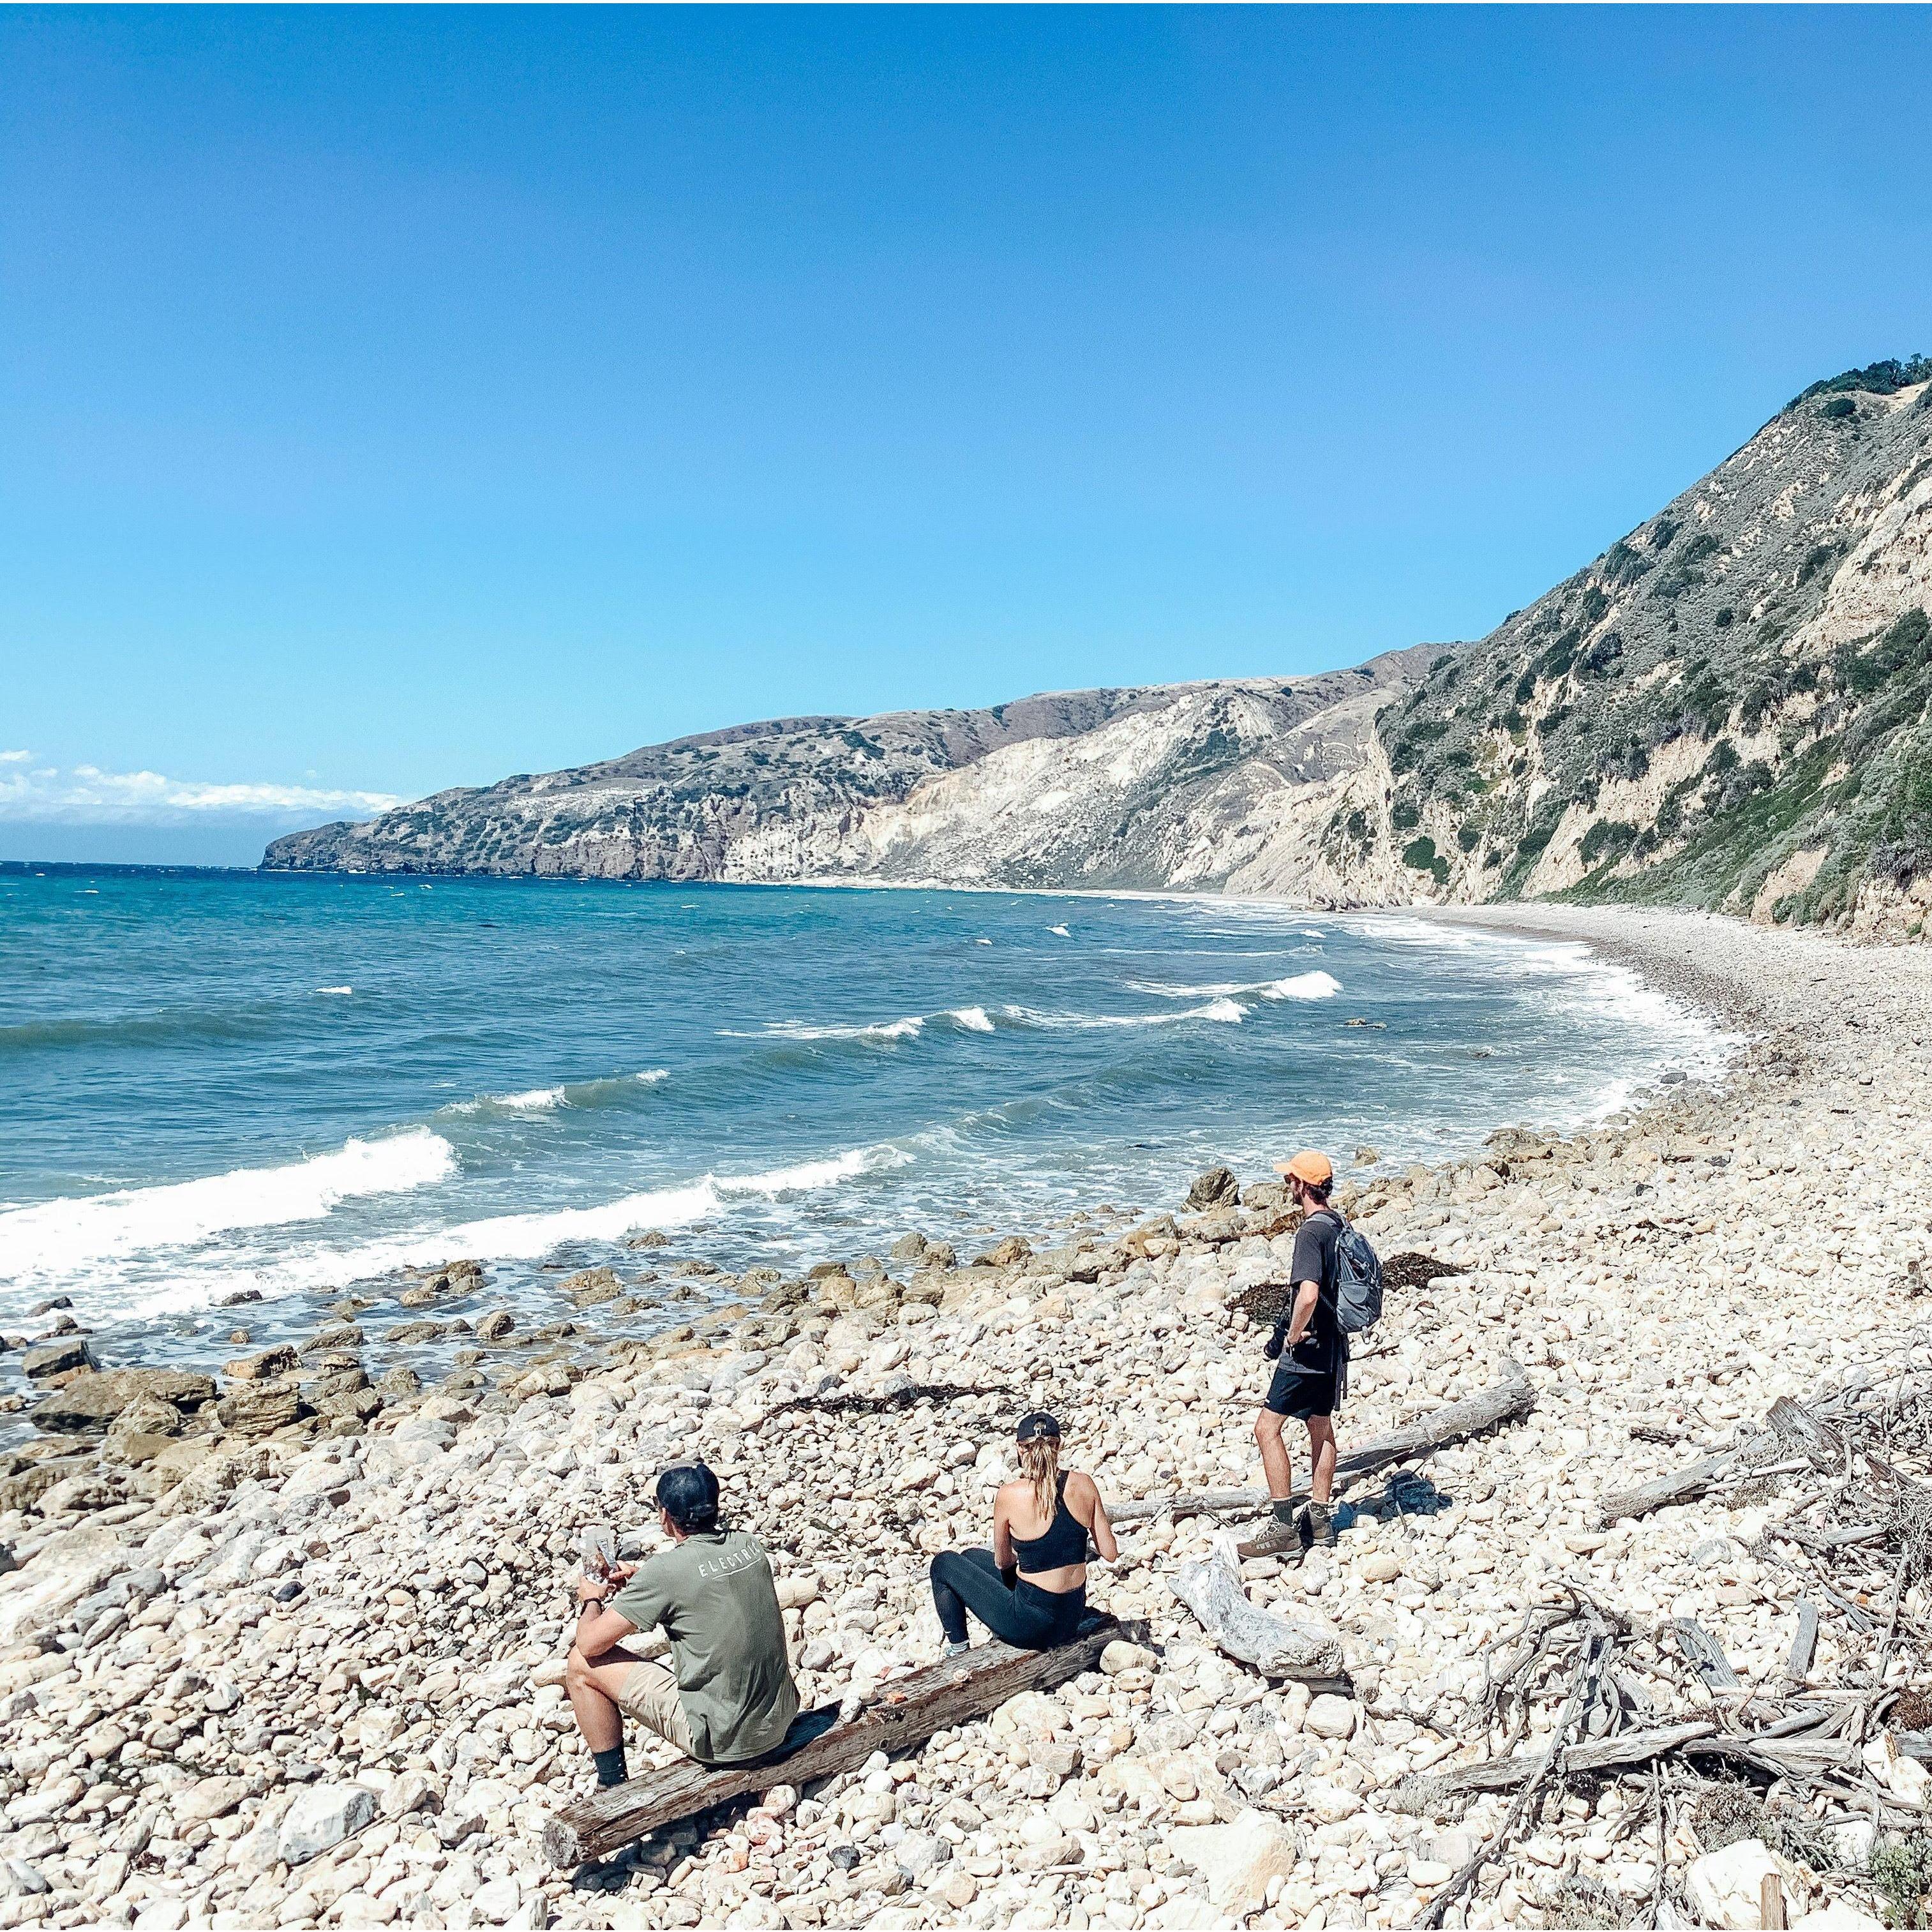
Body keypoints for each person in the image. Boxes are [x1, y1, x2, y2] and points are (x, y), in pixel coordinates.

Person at [565, 1462, 800, 1787]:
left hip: (725, 1741)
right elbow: (702, 1588)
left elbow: (590, 1643)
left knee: (580, 1664)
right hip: (778, 1719)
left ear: (664, 1516)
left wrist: (592, 1598)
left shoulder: (665, 1572)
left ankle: (611, 1784)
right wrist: (641, 1580)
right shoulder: (748, 1545)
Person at [929, 1412, 1116, 1655]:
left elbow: (1003, 1561)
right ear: (1058, 1446)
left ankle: (958, 1650)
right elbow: (1110, 1553)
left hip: (1032, 1627)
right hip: (1071, 1616)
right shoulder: (1084, 1484)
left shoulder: (1010, 1495)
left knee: (944, 1563)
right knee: (970, 1556)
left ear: (1020, 1449)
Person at [1239, 1149, 1347, 1560]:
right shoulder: (1338, 1224)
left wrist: (1292, 1336)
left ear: (1303, 1186)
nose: (1288, 1185)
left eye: (1291, 1180)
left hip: (1309, 1348)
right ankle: (1320, 1519)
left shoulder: (1309, 1233)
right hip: (1335, 1346)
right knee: (1320, 1427)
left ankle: (1283, 1525)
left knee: (1267, 1430)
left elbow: (1308, 1294)